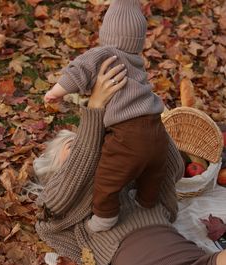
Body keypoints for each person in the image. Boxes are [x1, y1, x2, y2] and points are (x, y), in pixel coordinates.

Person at [35, 58, 226, 265]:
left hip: (194, 260)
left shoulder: (136, 188)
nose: (90, 146)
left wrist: (144, 108)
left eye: (95, 144)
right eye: (75, 146)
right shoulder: (63, 211)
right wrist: (94, 113)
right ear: (55, 173)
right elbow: (75, 177)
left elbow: (170, 166)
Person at [43, 0, 168, 233]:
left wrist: (55, 92)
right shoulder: (137, 62)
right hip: (156, 128)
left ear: (106, 32)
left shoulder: (104, 53)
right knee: (153, 172)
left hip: (128, 134)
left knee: (108, 178)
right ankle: (147, 201)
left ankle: (105, 217)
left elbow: (77, 71)